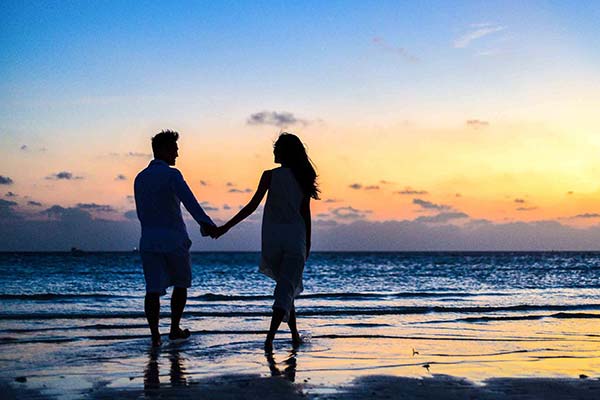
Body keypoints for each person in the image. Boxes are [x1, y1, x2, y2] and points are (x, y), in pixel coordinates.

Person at [215, 132, 319, 350]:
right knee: (285, 289)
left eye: (276, 148)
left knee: (286, 287)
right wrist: (308, 243)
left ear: (284, 152)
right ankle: (270, 339)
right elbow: (305, 213)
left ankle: (294, 335)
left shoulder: (269, 175)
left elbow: (251, 206)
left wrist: (225, 228)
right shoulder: (302, 176)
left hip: (272, 240)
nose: (273, 151)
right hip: (295, 238)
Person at [134, 129, 216, 347]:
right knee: (181, 284)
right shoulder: (172, 175)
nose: (177, 155)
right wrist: (206, 224)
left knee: (152, 290)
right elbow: (190, 201)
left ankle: (154, 336)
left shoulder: (140, 178)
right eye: (174, 150)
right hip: (173, 239)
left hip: (149, 239)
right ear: (163, 150)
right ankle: (174, 328)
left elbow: (141, 211)